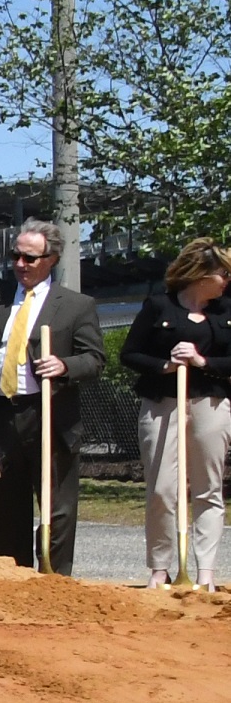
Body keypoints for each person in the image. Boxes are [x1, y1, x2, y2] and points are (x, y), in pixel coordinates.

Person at [0, 220, 104, 573]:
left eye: (30, 258)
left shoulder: (75, 306)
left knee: (57, 508)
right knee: (4, 510)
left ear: (51, 259)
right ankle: (11, 579)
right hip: (1, 416)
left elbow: (95, 358)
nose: (20, 265)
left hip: (50, 416)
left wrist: (65, 365)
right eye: (15, 256)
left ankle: (53, 579)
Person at [119, 237, 231, 587]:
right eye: (222, 272)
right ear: (201, 275)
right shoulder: (159, 306)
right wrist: (165, 365)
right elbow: (130, 353)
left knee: (208, 489)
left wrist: (203, 362)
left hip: (210, 403)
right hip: (162, 405)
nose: (227, 279)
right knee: (162, 489)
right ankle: (160, 568)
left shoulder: (227, 311)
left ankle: (206, 573)